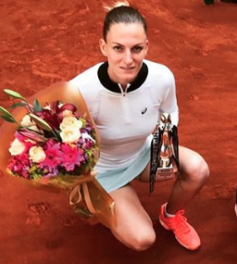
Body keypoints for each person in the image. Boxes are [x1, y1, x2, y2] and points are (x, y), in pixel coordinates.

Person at [70, 2, 209, 251]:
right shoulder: (81, 90)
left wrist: (163, 148)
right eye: (117, 48)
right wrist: (80, 178)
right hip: (103, 173)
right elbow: (65, 141)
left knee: (198, 169)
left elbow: (170, 111)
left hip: (142, 154)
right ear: (103, 47)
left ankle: (170, 216)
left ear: (146, 47)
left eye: (136, 49)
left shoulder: (162, 77)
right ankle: (95, 199)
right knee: (143, 239)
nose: (128, 59)